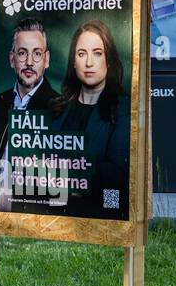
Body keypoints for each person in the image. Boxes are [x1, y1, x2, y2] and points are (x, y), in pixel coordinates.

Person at [48, 19, 131, 219]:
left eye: (97, 53)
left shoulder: (122, 109)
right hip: (53, 209)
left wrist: (68, 174)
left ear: (108, 60)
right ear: (73, 62)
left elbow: (118, 174)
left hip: (100, 211)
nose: (89, 62)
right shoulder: (57, 108)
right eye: (81, 53)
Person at [0, 18, 58, 210]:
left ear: (46, 60)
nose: (29, 62)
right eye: (23, 53)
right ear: (12, 59)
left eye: (37, 54)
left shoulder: (59, 107)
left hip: (36, 205)